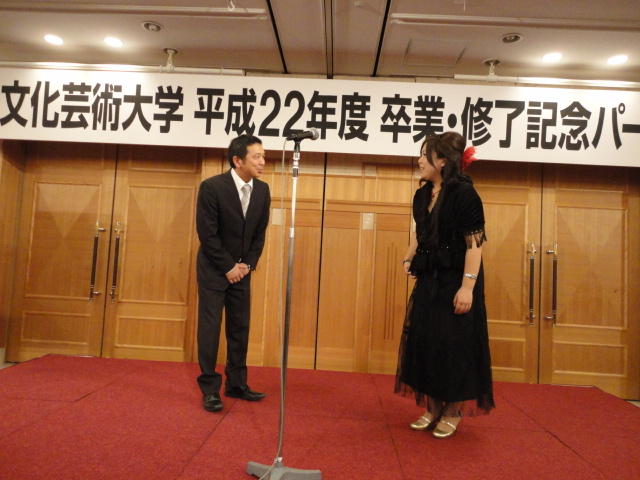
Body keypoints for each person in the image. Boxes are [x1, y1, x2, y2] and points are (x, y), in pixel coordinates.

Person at [395, 131, 494, 438]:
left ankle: (452, 411)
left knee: (453, 346)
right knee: (426, 341)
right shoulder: (423, 194)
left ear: (442, 161)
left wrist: (467, 288)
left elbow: (474, 244)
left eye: (425, 155)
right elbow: (421, 233)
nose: (419, 160)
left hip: (457, 279)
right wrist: (409, 257)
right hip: (431, 277)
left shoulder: (465, 194)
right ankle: (432, 407)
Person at [196, 134, 271, 412]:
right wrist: (228, 267)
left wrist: (247, 265)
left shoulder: (262, 190)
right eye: (256, 156)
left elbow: (259, 234)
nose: (262, 162)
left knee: (240, 327)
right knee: (211, 328)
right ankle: (210, 389)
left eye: (263, 156)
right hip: (214, 270)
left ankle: (237, 384)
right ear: (237, 160)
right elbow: (207, 234)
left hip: (242, 271)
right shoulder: (212, 187)